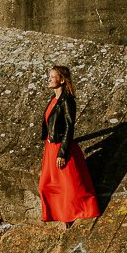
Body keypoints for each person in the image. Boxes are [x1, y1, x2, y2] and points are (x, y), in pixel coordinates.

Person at [39, 65, 100, 228]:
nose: (49, 79)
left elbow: (69, 126)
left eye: (53, 76)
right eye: (49, 76)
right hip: (50, 147)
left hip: (61, 147)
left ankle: (72, 216)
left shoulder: (67, 100)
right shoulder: (53, 100)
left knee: (71, 187)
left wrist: (63, 153)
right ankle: (61, 215)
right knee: (46, 185)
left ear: (62, 80)